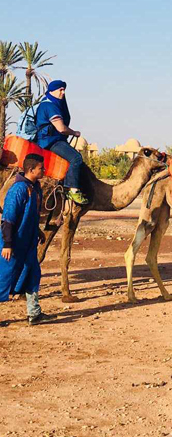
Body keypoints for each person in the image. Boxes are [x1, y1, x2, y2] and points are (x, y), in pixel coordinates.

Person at [0, 154, 56, 326]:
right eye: (41, 168)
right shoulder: (18, 190)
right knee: (4, 279)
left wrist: (37, 231)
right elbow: (8, 219)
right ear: (31, 170)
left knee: (33, 275)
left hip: (28, 243)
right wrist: (8, 244)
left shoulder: (36, 188)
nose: (44, 171)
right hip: (14, 245)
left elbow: (30, 215)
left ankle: (34, 313)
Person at [35, 80, 88, 205]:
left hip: (51, 140)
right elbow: (61, 128)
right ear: (52, 91)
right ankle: (73, 190)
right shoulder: (50, 106)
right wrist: (74, 133)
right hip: (51, 141)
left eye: (64, 90)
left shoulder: (49, 104)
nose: (63, 93)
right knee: (76, 158)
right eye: (60, 90)